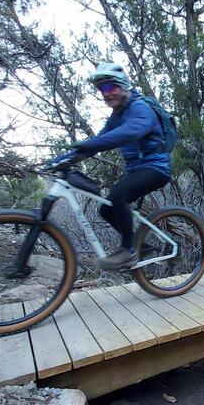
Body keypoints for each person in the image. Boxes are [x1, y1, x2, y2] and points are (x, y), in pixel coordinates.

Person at [49, 63, 171, 270]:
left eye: (109, 88)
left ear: (123, 85)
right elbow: (98, 142)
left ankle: (128, 251)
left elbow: (131, 132)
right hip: (136, 170)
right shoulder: (117, 116)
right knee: (106, 209)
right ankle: (141, 245)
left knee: (118, 195)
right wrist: (63, 159)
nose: (105, 94)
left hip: (156, 169)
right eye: (101, 90)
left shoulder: (141, 108)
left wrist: (90, 145)